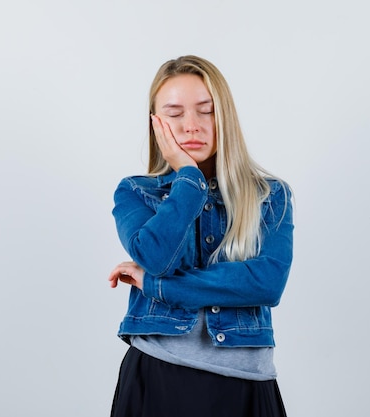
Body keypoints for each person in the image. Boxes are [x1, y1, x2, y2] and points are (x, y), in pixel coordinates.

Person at [107, 55, 294, 417]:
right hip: (157, 375)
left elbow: (267, 283)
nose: (191, 126)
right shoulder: (135, 192)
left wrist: (158, 288)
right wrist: (188, 179)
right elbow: (158, 258)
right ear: (156, 124)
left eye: (206, 111)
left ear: (225, 115)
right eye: (175, 115)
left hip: (246, 383)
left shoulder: (271, 195)